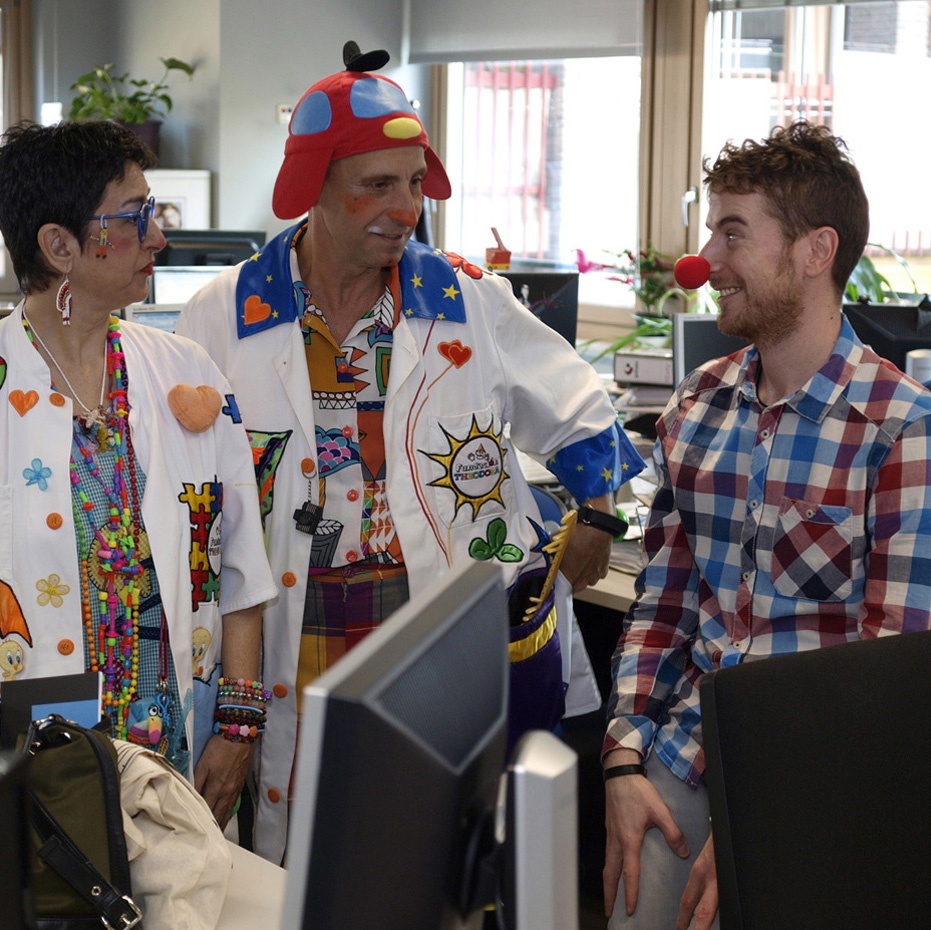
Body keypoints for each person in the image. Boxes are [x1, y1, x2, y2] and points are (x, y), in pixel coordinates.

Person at [176, 41, 646, 864]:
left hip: (437, 613)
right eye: (376, 186)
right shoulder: (226, 314)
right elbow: (191, 488)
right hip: (298, 609)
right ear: (314, 189)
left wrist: (598, 517)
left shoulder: (460, 296)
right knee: (310, 831)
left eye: (416, 183)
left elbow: (570, 399)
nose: (405, 207)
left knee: (438, 837)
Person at [601, 120, 931, 930]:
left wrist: (776, 822)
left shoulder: (900, 429)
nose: (704, 260)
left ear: (814, 252)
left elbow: (887, 675)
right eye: (711, 230)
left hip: (822, 773)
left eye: (732, 233)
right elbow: (664, 600)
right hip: (685, 750)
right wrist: (620, 756)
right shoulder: (695, 402)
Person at [0, 120, 278, 829]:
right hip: (37, 765)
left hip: (179, 747)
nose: (159, 237)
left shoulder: (185, 375)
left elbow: (242, 566)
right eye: (136, 217)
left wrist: (239, 728)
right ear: (59, 246)